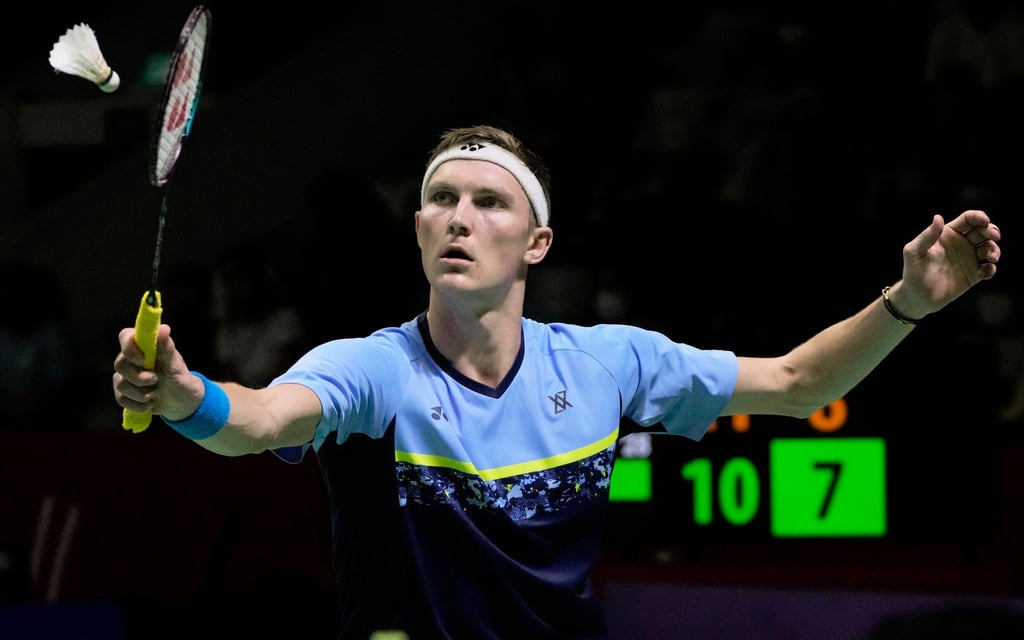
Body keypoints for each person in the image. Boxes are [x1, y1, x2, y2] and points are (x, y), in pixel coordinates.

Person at [111, 124, 1002, 639]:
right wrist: (190, 401)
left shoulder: (606, 362)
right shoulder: (375, 368)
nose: (460, 218)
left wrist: (908, 303)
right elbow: (263, 420)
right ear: (418, 228)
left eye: (489, 202)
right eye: (442, 199)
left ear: (536, 243)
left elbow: (800, 383)